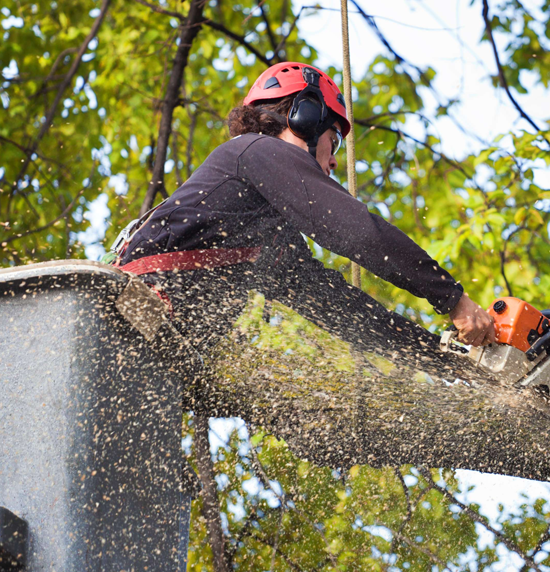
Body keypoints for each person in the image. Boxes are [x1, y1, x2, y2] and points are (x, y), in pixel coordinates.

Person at [116, 62, 496, 355]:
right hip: (130, 317)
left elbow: (337, 307)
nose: (333, 162)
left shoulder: (266, 232)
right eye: (334, 139)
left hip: (152, 346)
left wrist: (440, 355)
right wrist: (453, 299)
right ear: (305, 118)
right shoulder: (256, 151)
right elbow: (358, 232)